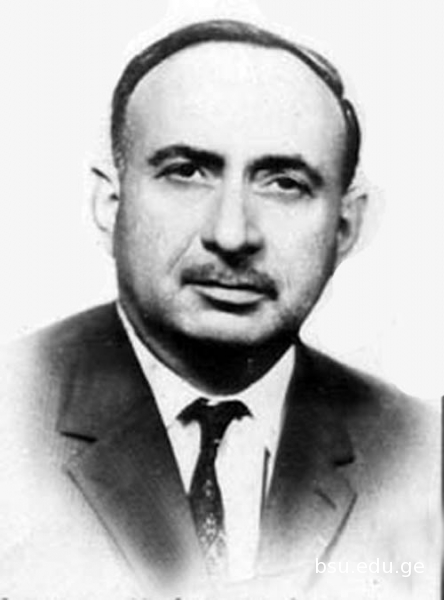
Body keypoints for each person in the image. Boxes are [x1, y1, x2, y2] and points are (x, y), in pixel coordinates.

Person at [0, 19, 440, 600]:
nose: (232, 234)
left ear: (345, 228)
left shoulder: (425, 455)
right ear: (109, 204)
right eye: (186, 172)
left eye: (284, 183)